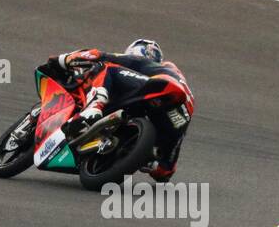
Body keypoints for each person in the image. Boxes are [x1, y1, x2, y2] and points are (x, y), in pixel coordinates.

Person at [48, 39, 194, 181]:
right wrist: (156, 165)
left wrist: (64, 59)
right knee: (164, 167)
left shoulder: (143, 63)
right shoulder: (166, 72)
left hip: (163, 87)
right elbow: (164, 174)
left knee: (107, 66)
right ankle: (134, 150)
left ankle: (94, 107)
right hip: (182, 113)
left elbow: (99, 55)